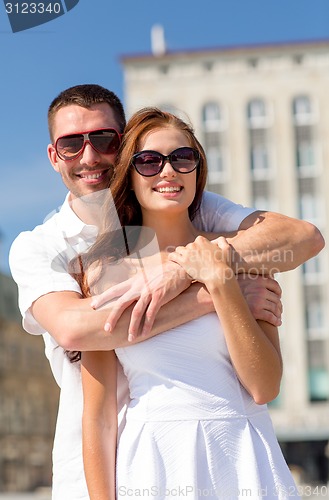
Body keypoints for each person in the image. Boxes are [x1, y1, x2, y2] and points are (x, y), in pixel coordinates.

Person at [8, 85, 323, 499]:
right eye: (71, 144)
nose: (89, 156)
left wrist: (204, 271)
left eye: (104, 139)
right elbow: (76, 331)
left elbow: (303, 237)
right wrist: (211, 291)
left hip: (243, 457)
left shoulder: (211, 222)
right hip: (123, 465)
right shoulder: (59, 253)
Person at [80, 107, 306, 499]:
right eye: (148, 161)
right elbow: (98, 418)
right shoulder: (104, 273)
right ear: (129, 177)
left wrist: (219, 280)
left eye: (182, 158)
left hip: (242, 457)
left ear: (198, 172)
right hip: (154, 462)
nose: (168, 171)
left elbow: (264, 386)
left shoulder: (242, 258)